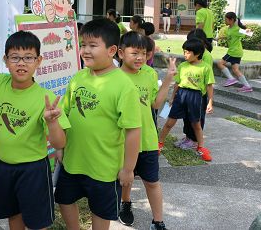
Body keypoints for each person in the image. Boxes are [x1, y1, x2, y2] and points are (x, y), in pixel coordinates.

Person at [0, 30, 70, 229]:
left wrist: (52, 123)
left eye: (28, 57)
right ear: (5, 60)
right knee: (13, 216)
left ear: (39, 61)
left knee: (38, 223)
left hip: (33, 170)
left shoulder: (45, 97)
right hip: (3, 166)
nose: (21, 63)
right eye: (15, 57)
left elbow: (59, 143)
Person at [54, 18, 141, 230]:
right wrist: (60, 147)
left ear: (112, 50)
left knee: (100, 211)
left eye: (93, 46)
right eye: (83, 45)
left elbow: (133, 131)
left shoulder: (124, 86)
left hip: (104, 167)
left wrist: (128, 169)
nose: (85, 50)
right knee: (64, 199)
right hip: (73, 161)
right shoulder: (78, 78)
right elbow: (65, 113)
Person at [117, 31, 176, 230]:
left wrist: (168, 79)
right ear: (120, 53)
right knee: (126, 178)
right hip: (122, 140)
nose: (140, 57)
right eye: (134, 53)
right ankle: (125, 204)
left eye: (143, 53)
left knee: (152, 182)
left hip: (147, 139)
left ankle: (158, 222)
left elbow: (155, 104)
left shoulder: (150, 74)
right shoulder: (114, 77)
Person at [158, 38, 214, 161]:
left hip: (196, 97)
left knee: (196, 124)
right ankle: (159, 144)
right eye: (184, 52)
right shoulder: (183, 66)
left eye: (188, 52)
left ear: (197, 54)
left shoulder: (205, 68)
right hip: (181, 95)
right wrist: (172, 98)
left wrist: (210, 102)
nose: (185, 55)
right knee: (169, 122)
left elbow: (209, 86)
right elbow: (177, 84)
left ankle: (200, 148)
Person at [176, 28, 213, 149]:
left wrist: (209, 101)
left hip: (198, 95)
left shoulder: (206, 57)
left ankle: (195, 140)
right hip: (188, 93)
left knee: (197, 119)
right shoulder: (189, 60)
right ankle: (188, 137)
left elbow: (207, 81)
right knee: (187, 117)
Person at [216, 12, 253, 93]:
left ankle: (231, 79)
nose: (224, 20)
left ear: (231, 20)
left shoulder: (237, 29)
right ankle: (247, 86)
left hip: (234, 52)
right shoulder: (229, 28)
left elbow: (249, 33)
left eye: (226, 19)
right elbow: (230, 36)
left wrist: (247, 30)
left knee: (220, 63)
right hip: (237, 51)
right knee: (235, 69)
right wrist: (221, 37)